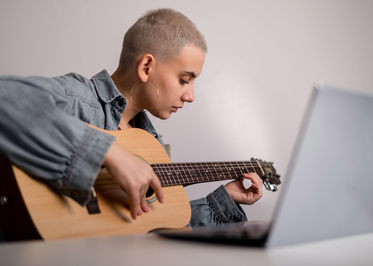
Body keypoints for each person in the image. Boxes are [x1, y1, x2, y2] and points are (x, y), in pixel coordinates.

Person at [0, 8, 263, 230]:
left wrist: (225, 199)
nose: (191, 96)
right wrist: (111, 153)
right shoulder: (78, 98)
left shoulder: (150, 145)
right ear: (146, 67)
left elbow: (151, 229)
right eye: (184, 80)